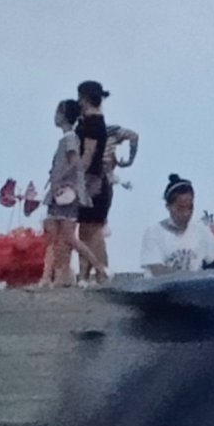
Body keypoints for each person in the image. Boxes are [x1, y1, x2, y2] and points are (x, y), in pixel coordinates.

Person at [73, 81, 137, 283]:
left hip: (93, 181)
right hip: (98, 180)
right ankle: (88, 275)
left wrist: (76, 176)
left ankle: (101, 273)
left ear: (84, 98)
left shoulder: (93, 124)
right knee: (87, 230)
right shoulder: (98, 124)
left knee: (92, 231)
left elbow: (88, 154)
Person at [139, 175, 214, 274]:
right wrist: (188, 277)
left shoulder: (200, 230)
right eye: (180, 209)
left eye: (190, 208)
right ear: (168, 206)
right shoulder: (154, 233)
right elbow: (157, 271)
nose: (186, 213)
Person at [41, 98, 88, 287]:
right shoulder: (68, 138)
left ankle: (96, 267)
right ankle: (54, 276)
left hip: (63, 194)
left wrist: (59, 179)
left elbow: (75, 162)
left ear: (63, 115)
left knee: (62, 237)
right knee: (58, 237)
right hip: (61, 192)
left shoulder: (69, 138)